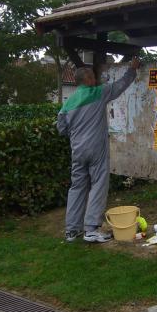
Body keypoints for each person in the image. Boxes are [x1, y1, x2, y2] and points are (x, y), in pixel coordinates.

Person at [57, 57, 140, 243]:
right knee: (98, 184)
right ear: (87, 80)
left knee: (77, 186)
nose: (96, 80)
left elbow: (61, 128)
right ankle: (92, 229)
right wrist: (132, 69)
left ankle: (72, 231)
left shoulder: (68, 103)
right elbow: (120, 85)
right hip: (96, 149)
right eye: (93, 77)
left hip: (77, 150)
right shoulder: (98, 93)